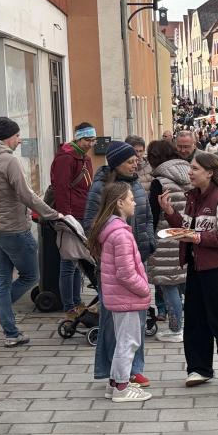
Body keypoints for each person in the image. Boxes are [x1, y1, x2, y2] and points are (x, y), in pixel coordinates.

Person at [160, 152, 218, 391]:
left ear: (210, 172)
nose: (190, 172)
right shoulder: (194, 197)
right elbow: (187, 229)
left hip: (217, 269)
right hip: (195, 266)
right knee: (195, 319)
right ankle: (199, 368)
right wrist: (170, 213)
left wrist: (197, 237)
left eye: (195, 169)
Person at [0, 117, 63, 347]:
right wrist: (51, 213)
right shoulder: (8, 161)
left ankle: (10, 333)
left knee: (2, 282)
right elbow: (26, 195)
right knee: (31, 276)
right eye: (17, 136)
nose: (20, 139)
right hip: (14, 230)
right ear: (8, 138)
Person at [84, 140, 156, 389]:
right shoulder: (102, 187)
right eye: (130, 161)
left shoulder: (135, 183)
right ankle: (114, 372)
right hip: (113, 265)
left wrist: (149, 241)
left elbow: (146, 215)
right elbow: (91, 225)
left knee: (136, 319)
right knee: (113, 323)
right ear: (116, 164)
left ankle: (134, 369)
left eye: (136, 160)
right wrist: (108, 254)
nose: (135, 164)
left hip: (138, 258)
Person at [49, 122, 96, 320]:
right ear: (77, 138)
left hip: (82, 212)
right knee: (68, 261)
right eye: (87, 140)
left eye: (93, 140)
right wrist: (65, 215)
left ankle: (77, 301)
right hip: (71, 215)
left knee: (79, 261)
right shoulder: (66, 158)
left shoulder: (84, 158)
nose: (90, 144)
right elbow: (61, 187)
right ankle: (69, 306)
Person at [146, 140, 190, 342]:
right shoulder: (189, 173)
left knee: (169, 284)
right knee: (183, 283)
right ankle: (189, 326)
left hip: (165, 238)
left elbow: (153, 215)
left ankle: (175, 330)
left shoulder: (160, 182)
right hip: (186, 235)